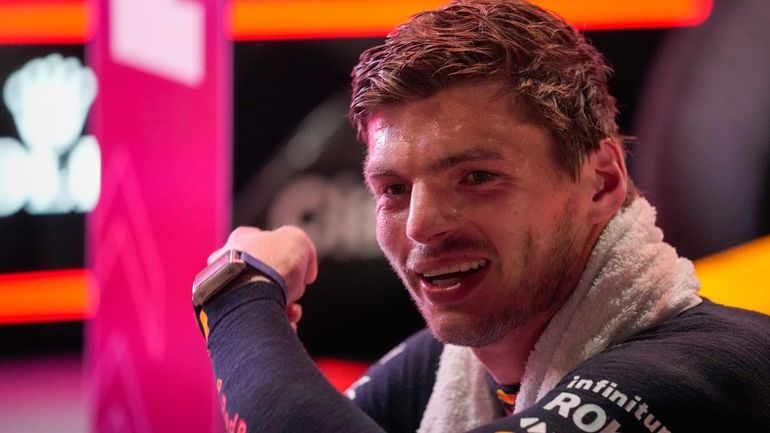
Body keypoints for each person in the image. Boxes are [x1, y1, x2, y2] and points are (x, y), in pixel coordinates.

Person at [192, 1, 770, 432]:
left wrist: (239, 294)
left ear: (603, 183)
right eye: (393, 189)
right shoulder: (455, 366)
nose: (421, 225)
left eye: (476, 178)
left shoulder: (712, 370)